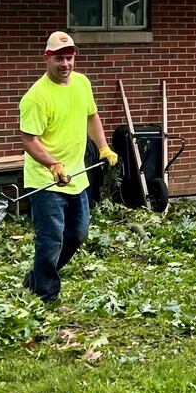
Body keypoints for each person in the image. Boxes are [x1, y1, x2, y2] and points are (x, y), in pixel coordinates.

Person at [19, 31, 118, 302]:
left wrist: (103, 147)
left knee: (77, 235)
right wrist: (52, 164)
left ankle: (37, 277)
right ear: (47, 59)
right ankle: (45, 295)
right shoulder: (36, 97)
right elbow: (29, 139)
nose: (66, 64)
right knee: (50, 241)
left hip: (76, 177)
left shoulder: (82, 84)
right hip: (46, 180)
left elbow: (92, 116)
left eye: (70, 58)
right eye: (59, 58)